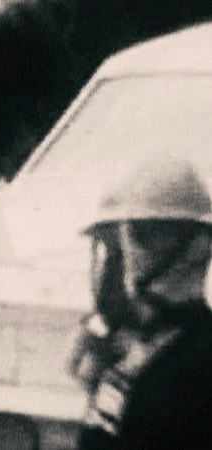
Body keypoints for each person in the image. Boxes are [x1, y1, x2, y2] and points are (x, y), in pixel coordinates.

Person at [70, 157, 212, 449]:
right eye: (119, 239)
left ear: (199, 247)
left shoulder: (199, 357)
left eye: (143, 234)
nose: (128, 253)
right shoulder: (139, 345)